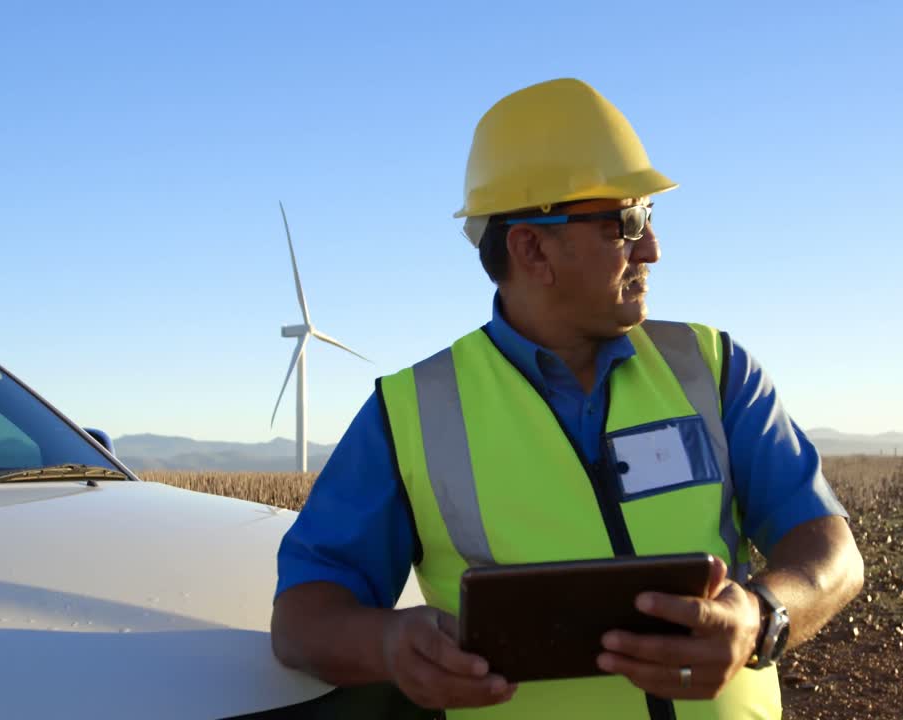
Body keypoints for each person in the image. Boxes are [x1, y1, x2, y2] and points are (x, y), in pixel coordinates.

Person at [271, 77, 864, 719]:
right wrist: (389, 646)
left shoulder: (714, 370)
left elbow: (831, 550)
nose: (653, 249)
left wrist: (759, 617)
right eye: (627, 222)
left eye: (649, 217)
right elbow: (303, 617)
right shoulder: (411, 414)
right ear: (532, 247)